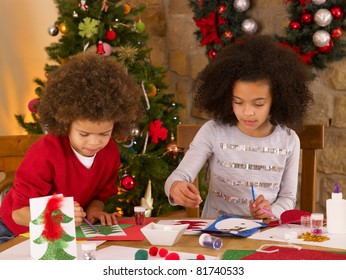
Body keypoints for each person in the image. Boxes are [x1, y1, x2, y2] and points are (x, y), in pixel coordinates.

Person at [0, 52, 144, 243]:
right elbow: (19, 213)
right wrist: (57, 218)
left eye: (104, 134)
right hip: (15, 231)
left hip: (62, 235)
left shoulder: (110, 153)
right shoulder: (45, 152)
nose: (94, 143)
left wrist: (95, 210)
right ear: (66, 124)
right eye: (84, 134)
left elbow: (99, 196)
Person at [165, 35, 314, 220]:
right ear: (227, 97)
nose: (247, 112)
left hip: (263, 235)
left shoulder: (289, 140)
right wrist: (175, 187)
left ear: (277, 100)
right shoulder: (213, 131)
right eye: (238, 102)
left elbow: (288, 198)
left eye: (258, 104)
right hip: (216, 233)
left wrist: (270, 211)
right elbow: (179, 175)